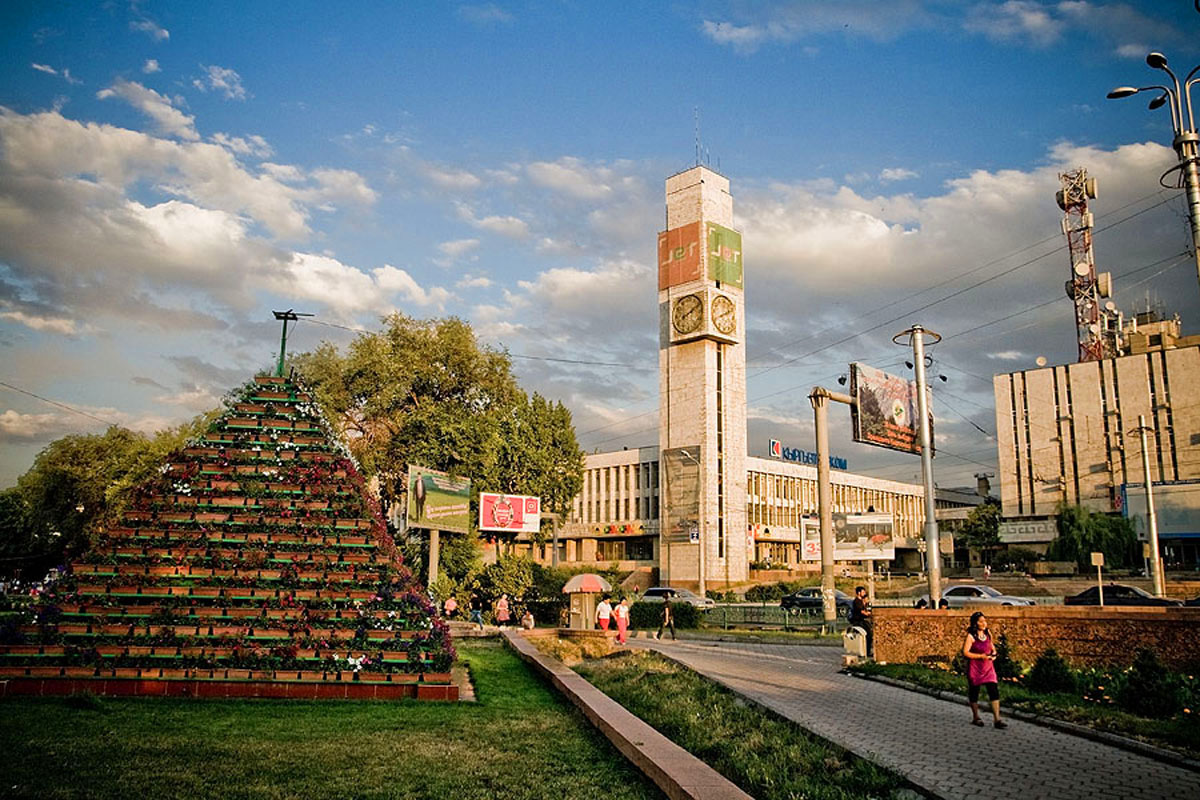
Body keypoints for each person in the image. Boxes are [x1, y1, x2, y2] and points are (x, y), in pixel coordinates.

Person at [963, 611, 1007, 729]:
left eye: (984, 621)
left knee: (993, 690)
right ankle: (976, 716)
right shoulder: (971, 636)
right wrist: (980, 656)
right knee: (974, 692)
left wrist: (994, 654)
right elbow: (966, 652)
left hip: (988, 667)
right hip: (976, 668)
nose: (983, 623)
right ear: (975, 623)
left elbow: (992, 647)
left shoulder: (988, 634)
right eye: (980, 621)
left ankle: (997, 719)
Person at [849, 585, 873, 657]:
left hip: (862, 621)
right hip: (858, 621)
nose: (864, 593)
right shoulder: (857, 601)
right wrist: (867, 613)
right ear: (859, 593)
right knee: (867, 635)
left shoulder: (862, 601)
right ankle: (865, 652)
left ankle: (867, 651)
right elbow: (861, 611)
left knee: (869, 635)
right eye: (863, 592)